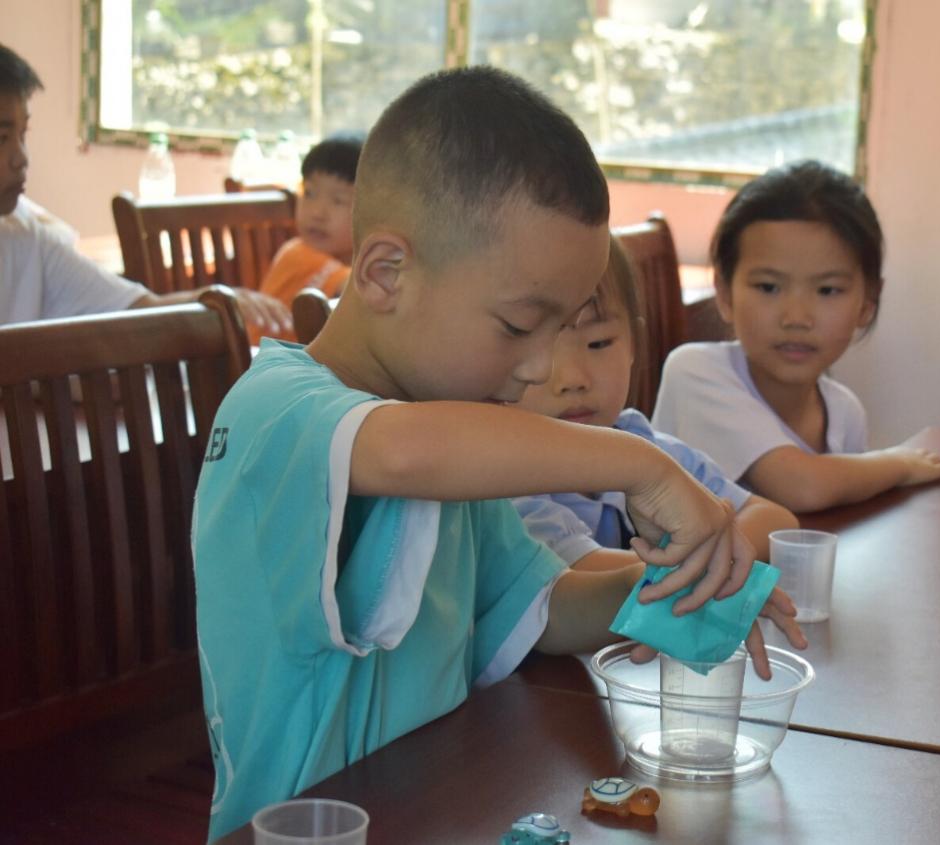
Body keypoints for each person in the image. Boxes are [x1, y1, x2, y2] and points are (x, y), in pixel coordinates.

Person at [194, 66, 801, 840]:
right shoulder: (278, 411)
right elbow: (402, 451)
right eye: (518, 326)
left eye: (564, 327)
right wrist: (641, 465)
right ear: (385, 273)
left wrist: (682, 590)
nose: (543, 366)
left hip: (440, 806)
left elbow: (544, 610)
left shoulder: (460, 446)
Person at [653, 160, 940, 514]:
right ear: (724, 294)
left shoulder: (844, 411)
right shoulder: (695, 372)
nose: (796, 318)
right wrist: (900, 463)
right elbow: (802, 487)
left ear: (867, 303)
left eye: (827, 290)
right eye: (768, 287)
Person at [513, 234, 803, 572]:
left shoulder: (645, 445)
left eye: (599, 343)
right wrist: (705, 558)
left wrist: (686, 563)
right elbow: (582, 575)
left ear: (634, 345)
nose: (574, 379)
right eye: (541, 349)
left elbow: (774, 520)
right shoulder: (507, 482)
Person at [0, 43, 290, 331]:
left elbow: (140, 309)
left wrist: (218, 299)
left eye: (23, 135)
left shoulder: (27, 238)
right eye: (2, 138)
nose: (21, 158)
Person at [252, 133, 363, 343]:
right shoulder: (298, 254)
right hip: (257, 359)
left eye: (338, 201)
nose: (317, 213)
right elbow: (365, 288)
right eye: (310, 194)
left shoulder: (350, 261)